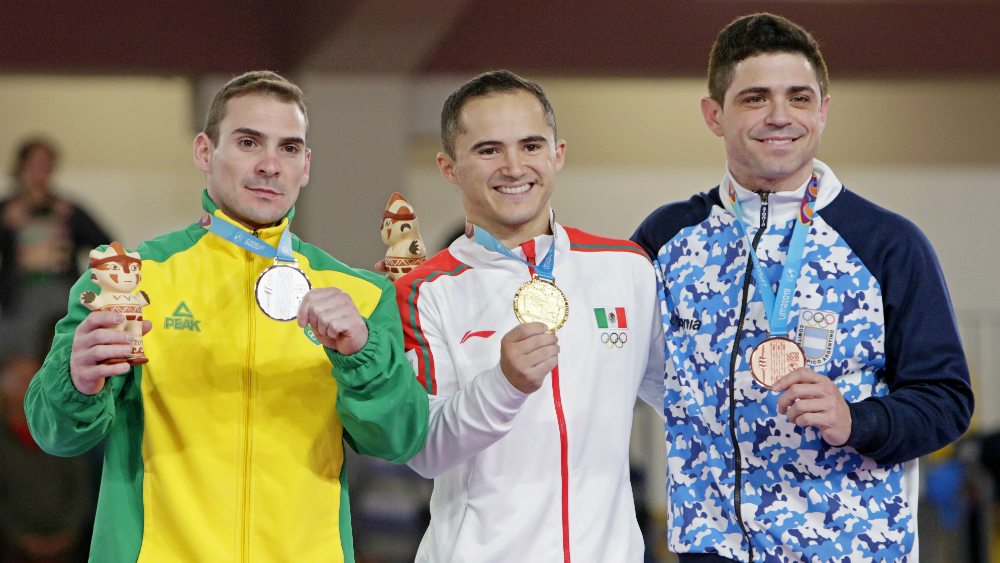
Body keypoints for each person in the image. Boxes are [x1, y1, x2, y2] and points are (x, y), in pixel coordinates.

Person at [24, 71, 429, 563]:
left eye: (289, 148)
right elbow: (56, 435)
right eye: (247, 142)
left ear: (306, 166)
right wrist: (75, 380)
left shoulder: (359, 296)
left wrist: (363, 354)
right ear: (203, 152)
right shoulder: (130, 280)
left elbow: (400, 439)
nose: (269, 165)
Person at [631, 14, 974, 563]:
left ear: (823, 110)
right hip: (710, 550)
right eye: (754, 99)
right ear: (714, 115)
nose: (779, 117)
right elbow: (612, 351)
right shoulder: (667, 238)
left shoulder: (887, 243)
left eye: (798, 97)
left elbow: (946, 401)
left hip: (853, 548)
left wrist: (856, 419)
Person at [395, 70, 665, 563]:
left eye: (531, 145)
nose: (514, 166)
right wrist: (503, 385)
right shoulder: (422, 291)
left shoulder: (627, 267)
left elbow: (685, 398)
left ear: (558, 154)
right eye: (488, 150)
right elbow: (425, 450)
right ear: (449, 167)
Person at [0, 139, 112, 357]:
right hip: (19, 297)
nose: (42, 171)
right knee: (19, 356)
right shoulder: (8, 210)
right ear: (21, 167)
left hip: (61, 292)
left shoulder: (66, 209)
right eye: (35, 164)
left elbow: (105, 244)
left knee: (62, 353)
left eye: (47, 165)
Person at [1, 353, 90, 563]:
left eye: (39, 379)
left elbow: (81, 488)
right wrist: (21, 538)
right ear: (5, 389)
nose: (33, 386)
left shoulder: (63, 430)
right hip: (11, 551)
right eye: (24, 380)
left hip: (68, 550)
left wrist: (68, 534)